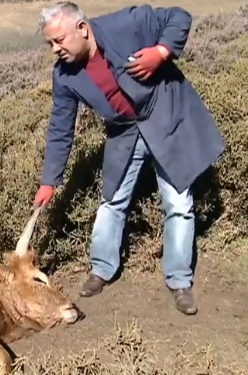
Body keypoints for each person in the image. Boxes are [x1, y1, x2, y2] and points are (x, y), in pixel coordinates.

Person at [34, 1, 225, 316]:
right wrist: (49, 180)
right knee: (112, 201)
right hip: (124, 130)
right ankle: (102, 268)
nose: (55, 49)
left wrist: (161, 52)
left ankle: (179, 281)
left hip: (163, 116)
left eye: (60, 40)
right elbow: (60, 127)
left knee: (177, 201)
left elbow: (179, 17)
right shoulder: (65, 74)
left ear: (82, 29)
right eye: (50, 43)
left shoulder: (128, 24)